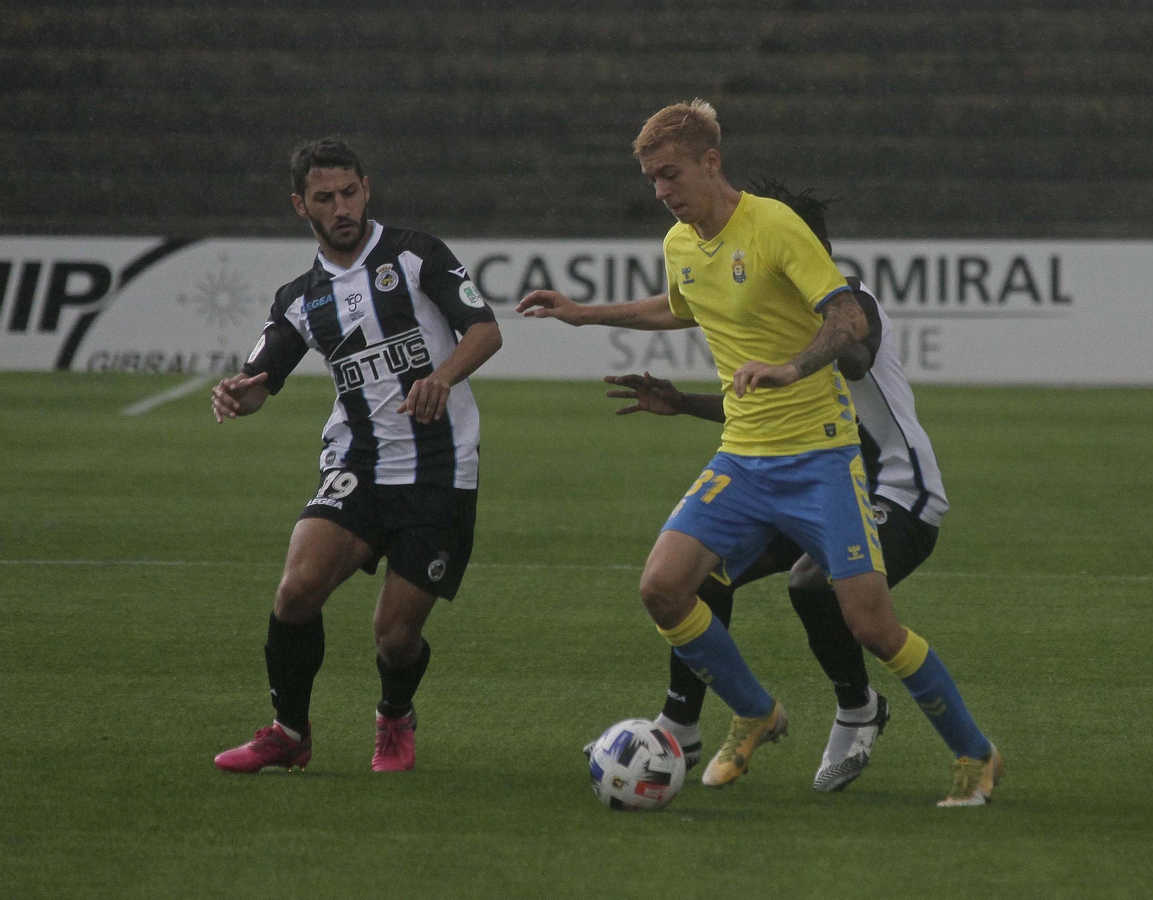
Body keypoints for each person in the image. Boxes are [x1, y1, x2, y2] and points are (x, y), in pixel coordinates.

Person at [519, 100, 999, 806]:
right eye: (652, 179)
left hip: (822, 462)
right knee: (664, 586)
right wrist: (584, 313)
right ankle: (756, 710)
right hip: (742, 461)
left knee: (870, 624)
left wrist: (791, 368)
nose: (662, 191)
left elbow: (848, 317)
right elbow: (679, 307)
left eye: (671, 174)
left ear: (711, 162)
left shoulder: (776, 226)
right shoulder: (681, 242)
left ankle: (975, 753)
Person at [596, 179, 950, 793]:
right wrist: (682, 403)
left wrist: (814, 338)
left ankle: (858, 705)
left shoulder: (849, 300)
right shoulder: (765, 295)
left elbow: (857, 358)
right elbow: (761, 406)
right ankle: (682, 722)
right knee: (702, 572)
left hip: (895, 490)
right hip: (806, 483)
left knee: (813, 583)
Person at [209, 138, 502, 774]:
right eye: (324, 197)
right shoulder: (298, 297)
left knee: (394, 639)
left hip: (439, 471)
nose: (340, 207)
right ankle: (290, 732)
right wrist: (242, 393)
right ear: (300, 205)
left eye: (349, 192)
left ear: (366, 188)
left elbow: (485, 330)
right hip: (358, 464)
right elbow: (264, 378)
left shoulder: (417, 254)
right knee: (296, 592)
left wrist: (443, 376)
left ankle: (394, 715)